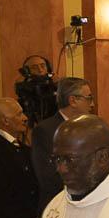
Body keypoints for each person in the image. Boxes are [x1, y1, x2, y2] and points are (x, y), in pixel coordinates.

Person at [32, 77, 94, 210]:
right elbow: (47, 175)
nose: (92, 104)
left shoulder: (89, 128)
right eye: (88, 98)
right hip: (59, 204)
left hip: (88, 202)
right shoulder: (45, 130)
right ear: (73, 100)